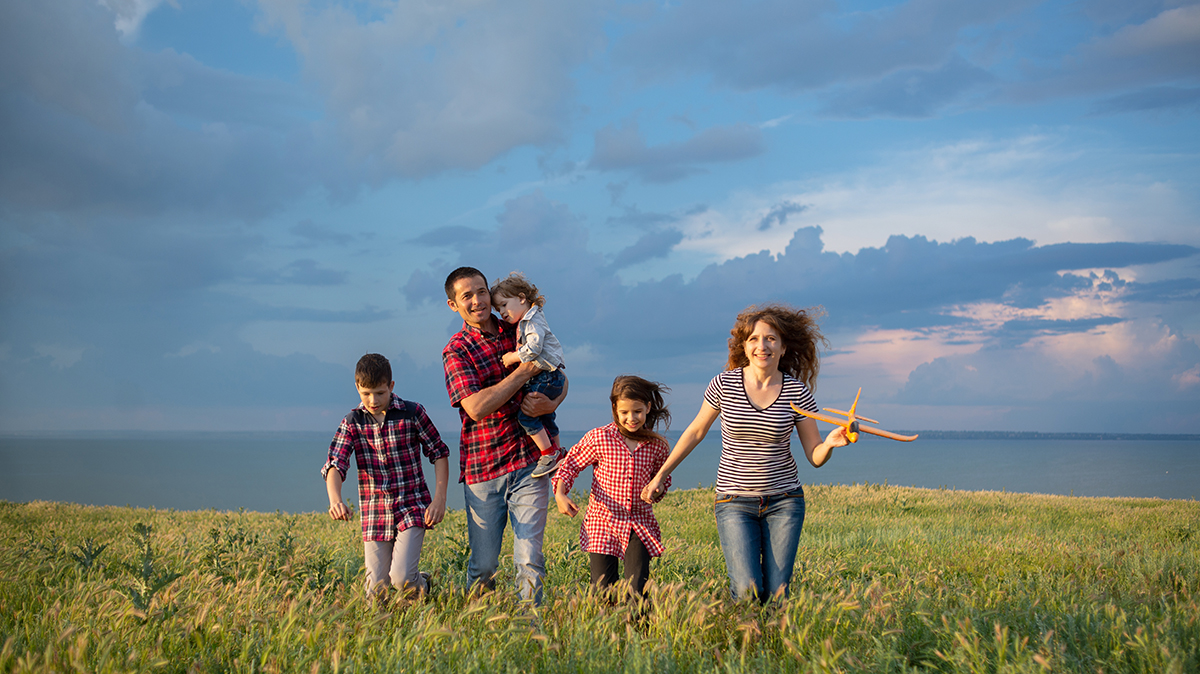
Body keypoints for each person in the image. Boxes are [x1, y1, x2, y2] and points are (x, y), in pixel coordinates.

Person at [641, 305, 850, 603]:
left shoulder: (797, 393)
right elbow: (695, 432)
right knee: (746, 591)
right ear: (744, 345)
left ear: (783, 347)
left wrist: (829, 444)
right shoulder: (723, 384)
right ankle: (748, 646)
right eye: (753, 338)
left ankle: (774, 647)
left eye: (770, 339)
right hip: (734, 502)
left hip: (785, 502)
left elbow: (814, 455)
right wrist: (660, 475)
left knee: (778, 594)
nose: (761, 346)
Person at [442, 266, 568, 605]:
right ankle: (479, 625)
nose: (478, 301)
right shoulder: (456, 351)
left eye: (481, 291)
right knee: (484, 567)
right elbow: (477, 408)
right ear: (454, 305)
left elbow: (560, 374)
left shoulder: (518, 324)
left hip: (529, 462)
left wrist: (551, 401)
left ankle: (532, 634)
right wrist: (525, 370)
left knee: (529, 559)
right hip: (483, 471)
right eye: (466, 296)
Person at [323, 353, 450, 601]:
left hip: (412, 507)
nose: (373, 400)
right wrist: (335, 499)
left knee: (401, 578)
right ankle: (383, 631)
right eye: (366, 393)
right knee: (375, 592)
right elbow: (335, 465)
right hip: (374, 513)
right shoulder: (352, 423)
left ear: (391, 386)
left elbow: (439, 453)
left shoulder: (413, 413)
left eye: (380, 393)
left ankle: (421, 588)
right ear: (357, 387)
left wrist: (439, 500)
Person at [553, 376, 672, 601]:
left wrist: (658, 490)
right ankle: (607, 633)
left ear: (647, 407)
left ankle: (636, 632)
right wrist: (560, 493)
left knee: (637, 590)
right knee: (603, 588)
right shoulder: (600, 438)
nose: (631, 418)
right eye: (624, 412)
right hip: (602, 521)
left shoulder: (658, 445)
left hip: (639, 521)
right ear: (615, 409)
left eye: (637, 411)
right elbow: (571, 464)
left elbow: (663, 479)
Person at [491, 272, 567, 478]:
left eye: (504, 305)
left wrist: (512, 357)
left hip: (546, 376)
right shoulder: (527, 320)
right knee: (547, 416)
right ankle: (559, 452)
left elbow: (533, 348)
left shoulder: (531, 321)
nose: (502, 312)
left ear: (522, 298)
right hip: (551, 375)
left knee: (527, 417)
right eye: (498, 309)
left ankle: (549, 453)